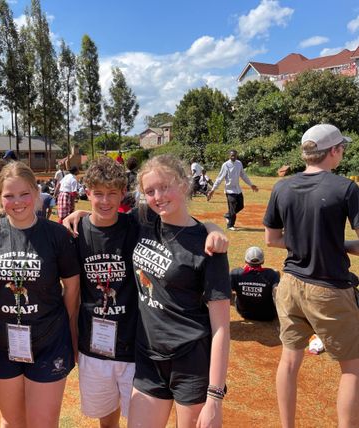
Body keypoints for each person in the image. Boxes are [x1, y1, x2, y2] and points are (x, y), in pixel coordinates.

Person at [263, 124, 359, 428]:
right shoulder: (345, 188)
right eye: (341, 147)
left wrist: (308, 242)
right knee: (352, 368)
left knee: (289, 361)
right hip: (329, 288)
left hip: (290, 284)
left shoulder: (282, 187)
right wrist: (337, 245)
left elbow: (271, 240)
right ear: (333, 151)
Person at [128, 155, 231, 428]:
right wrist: (80, 215)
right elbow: (105, 219)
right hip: (148, 355)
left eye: (165, 187)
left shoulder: (209, 246)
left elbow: (221, 327)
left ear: (184, 184)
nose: (157, 197)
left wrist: (214, 397)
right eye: (150, 191)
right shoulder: (144, 220)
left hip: (191, 361)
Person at [0, 161, 80, 427]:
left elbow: (72, 287)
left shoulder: (56, 235)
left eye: (24, 193)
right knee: (12, 422)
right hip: (1, 343)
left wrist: (70, 331)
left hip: (49, 341)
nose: (17, 202)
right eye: (9, 195)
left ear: (36, 192)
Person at [73, 157, 139, 427]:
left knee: (140, 419)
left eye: (112, 193)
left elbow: (178, 220)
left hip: (134, 344)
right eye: (98, 193)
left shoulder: (136, 226)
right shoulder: (75, 232)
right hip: (94, 347)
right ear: (87, 193)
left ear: (123, 193)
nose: (105, 200)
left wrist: (212, 228)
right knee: (107, 420)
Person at [207, 150, 258, 231]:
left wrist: (251, 184)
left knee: (241, 206)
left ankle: (228, 215)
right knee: (233, 208)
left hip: (237, 189)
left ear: (237, 155)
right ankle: (230, 225)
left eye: (235, 155)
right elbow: (220, 178)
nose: (233, 157)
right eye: (232, 155)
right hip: (229, 190)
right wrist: (213, 189)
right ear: (229, 156)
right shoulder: (226, 165)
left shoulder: (239, 163)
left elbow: (243, 175)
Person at [230, 246, 280, 322]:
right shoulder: (272, 274)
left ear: (245, 260)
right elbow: (277, 293)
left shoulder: (236, 273)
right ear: (263, 261)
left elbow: (228, 292)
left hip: (244, 313)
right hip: (268, 314)